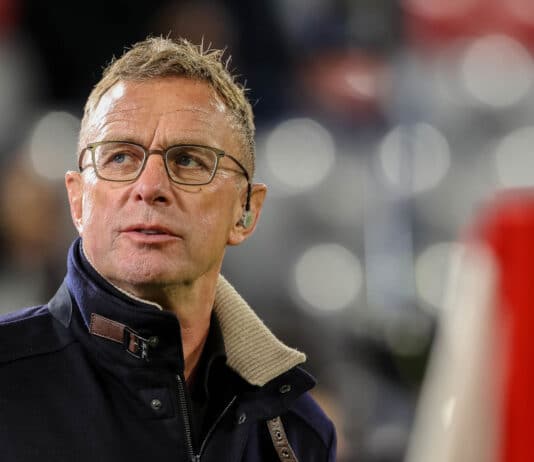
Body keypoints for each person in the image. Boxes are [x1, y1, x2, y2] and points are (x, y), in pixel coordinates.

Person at [0, 37, 336, 461]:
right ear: (78, 201)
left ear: (246, 210)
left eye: (189, 160)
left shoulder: (296, 433)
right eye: (120, 157)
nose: (150, 186)